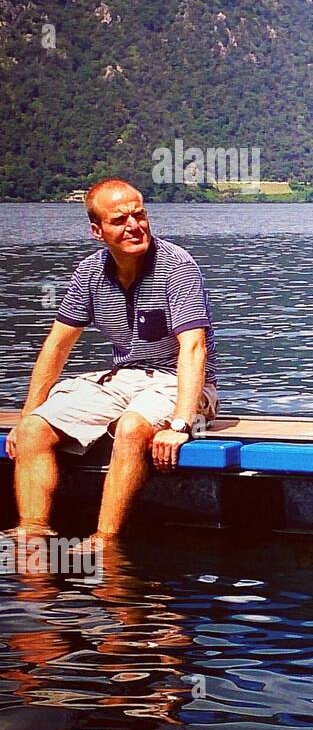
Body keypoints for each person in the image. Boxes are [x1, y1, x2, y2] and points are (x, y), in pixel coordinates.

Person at [5, 179, 218, 549]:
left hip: (180, 381)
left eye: (140, 215)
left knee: (133, 427)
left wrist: (182, 423)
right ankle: (33, 532)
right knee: (36, 430)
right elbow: (56, 347)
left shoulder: (176, 266)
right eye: (120, 220)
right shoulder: (90, 273)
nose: (134, 226)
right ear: (97, 230)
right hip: (124, 378)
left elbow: (194, 348)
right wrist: (27, 416)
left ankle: (104, 541)